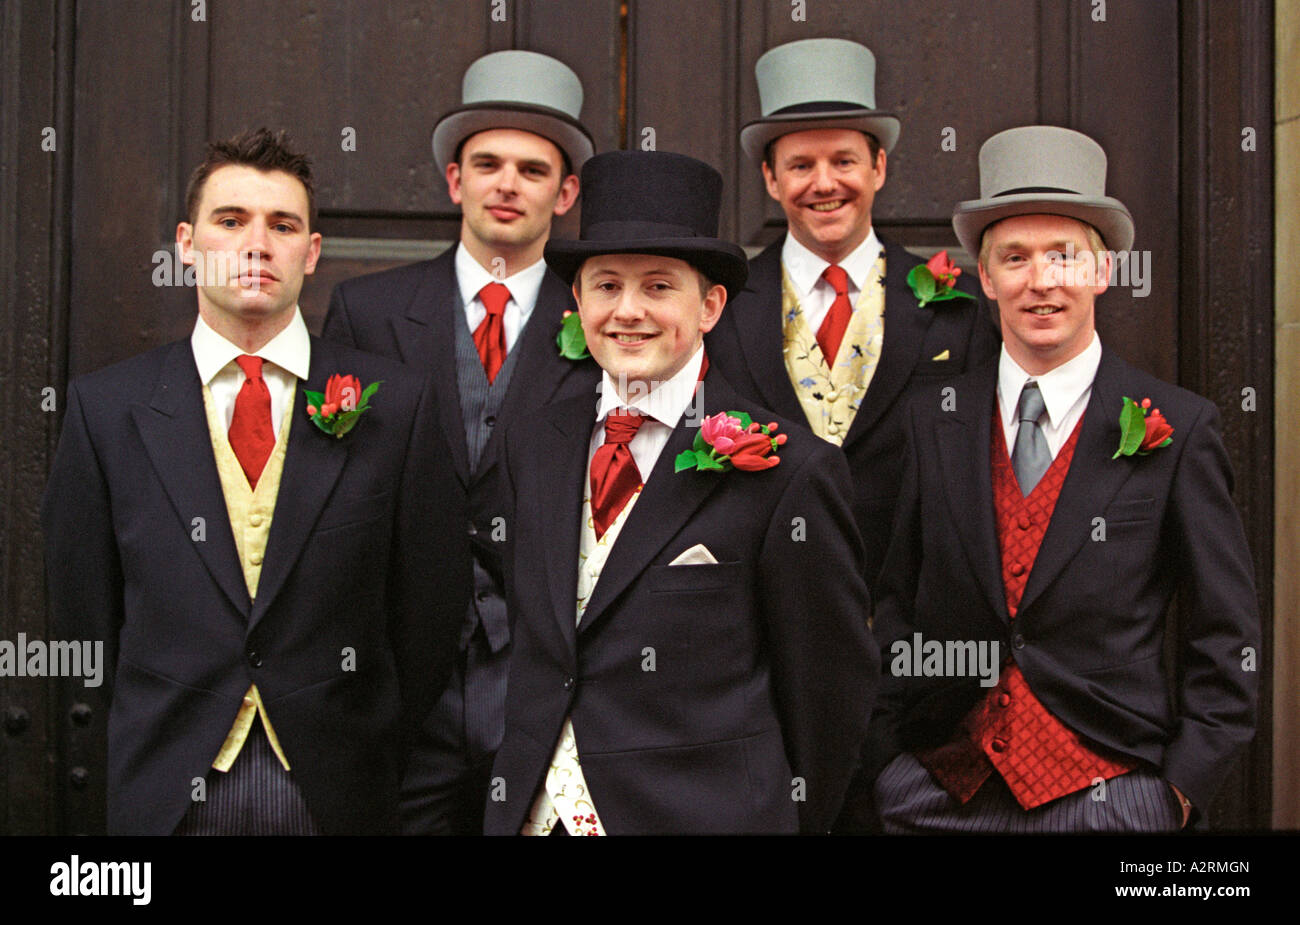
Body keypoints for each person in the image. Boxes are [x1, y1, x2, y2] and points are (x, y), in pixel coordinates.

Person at [41, 127, 469, 834]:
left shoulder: (394, 403)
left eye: (283, 224)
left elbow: (427, 607)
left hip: (337, 787)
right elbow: (85, 605)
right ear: (186, 243)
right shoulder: (106, 409)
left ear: (312, 251)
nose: (257, 243)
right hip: (167, 784)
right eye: (231, 220)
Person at [865, 125, 1259, 832]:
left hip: (1114, 799)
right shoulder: (933, 420)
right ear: (985, 277)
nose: (1040, 280)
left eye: (1064, 255)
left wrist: (1174, 794)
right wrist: (887, 764)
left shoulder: (1179, 427)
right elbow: (898, 604)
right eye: (1014, 257)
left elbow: (1224, 635)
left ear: (1103, 271)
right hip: (939, 798)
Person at [484, 150, 877, 835]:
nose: (627, 311)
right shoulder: (533, 441)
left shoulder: (791, 473)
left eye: (659, 287)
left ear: (711, 306)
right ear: (578, 301)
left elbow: (829, 695)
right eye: (606, 285)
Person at [322, 50, 601, 834]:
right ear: (454, 180)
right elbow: (334, 499)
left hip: (549, 683)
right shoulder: (369, 312)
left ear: (566, 191)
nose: (507, 183)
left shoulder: (604, 324)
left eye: (532, 168)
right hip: (406, 691)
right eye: (487, 164)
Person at [707, 37, 1000, 597]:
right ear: (771, 179)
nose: (824, 183)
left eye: (843, 161)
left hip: (909, 619)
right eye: (800, 165)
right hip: (766, 614)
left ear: (879, 167)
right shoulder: (725, 309)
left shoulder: (958, 308)